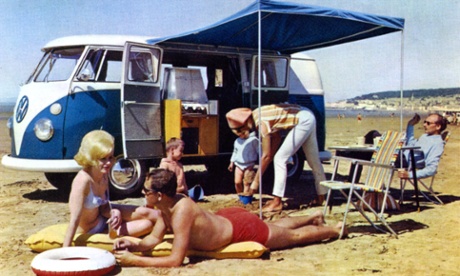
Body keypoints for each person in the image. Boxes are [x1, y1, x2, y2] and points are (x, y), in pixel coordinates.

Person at [113, 169, 345, 267]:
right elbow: (153, 240)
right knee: (274, 226)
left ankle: (334, 229)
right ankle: (313, 216)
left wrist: (136, 261)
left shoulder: (181, 211)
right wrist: (132, 245)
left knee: (291, 237)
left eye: (146, 192)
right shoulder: (169, 205)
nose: (143, 195)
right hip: (226, 220)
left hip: (237, 229)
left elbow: (176, 261)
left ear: (160, 195)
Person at [63, 130, 158, 247]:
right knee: (147, 225)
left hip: (104, 220)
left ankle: (179, 224)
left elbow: (103, 208)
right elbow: (74, 220)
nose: (108, 163)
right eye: (103, 158)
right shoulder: (82, 181)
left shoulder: (103, 174)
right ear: (91, 157)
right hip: (91, 230)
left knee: (146, 212)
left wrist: (114, 212)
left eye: (110, 157)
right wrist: (64, 251)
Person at [225, 104, 327, 212]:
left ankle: (277, 202)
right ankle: (322, 196)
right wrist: (269, 157)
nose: (242, 134)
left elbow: (266, 155)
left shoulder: (261, 122)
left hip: (302, 120)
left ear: (244, 124)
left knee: (280, 159)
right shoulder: (258, 114)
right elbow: (276, 138)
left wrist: (254, 185)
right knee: (313, 160)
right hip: (307, 115)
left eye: (241, 131)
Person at [397, 113, 448, 180]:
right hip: (402, 154)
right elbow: (410, 144)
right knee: (378, 135)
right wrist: (410, 125)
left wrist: (410, 175)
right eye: (424, 122)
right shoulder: (426, 136)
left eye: (428, 123)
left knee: (380, 145)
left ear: (438, 126)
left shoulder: (437, 143)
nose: (424, 125)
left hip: (404, 160)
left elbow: (432, 169)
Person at [226, 120, 259, 194]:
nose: (242, 136)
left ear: (248, 129)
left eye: (243, 133)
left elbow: (259, 150)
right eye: (239, 134)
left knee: (247, 182)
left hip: (249, 164)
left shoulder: (254, 140)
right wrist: (232, 163)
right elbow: (235, 151)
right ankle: (240, 196)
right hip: (238, 164)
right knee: (237, 182)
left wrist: (262, 158)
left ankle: (246, 198)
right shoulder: (237, 141)